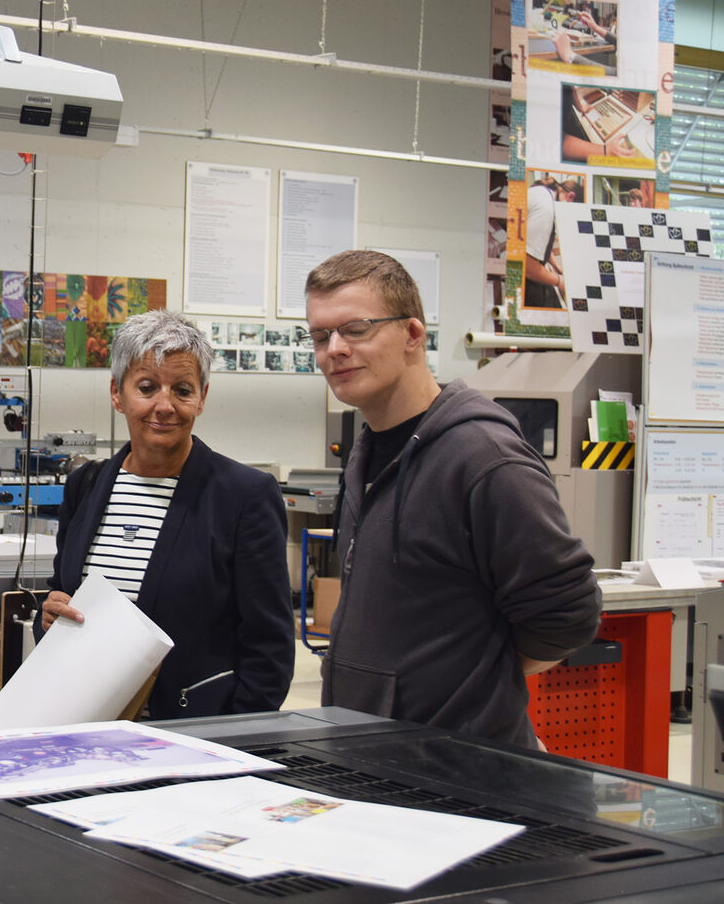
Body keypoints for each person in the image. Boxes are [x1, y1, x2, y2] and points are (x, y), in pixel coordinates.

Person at [305, 250, 600, 749]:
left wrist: (478, 678)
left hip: (461, 771)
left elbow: (567, 614)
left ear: (413, 336)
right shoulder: (366, 453)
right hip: (375, 760)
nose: (334, 349)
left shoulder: (483, 456)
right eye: (320, 335)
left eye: (355, 329)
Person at [40, 309, 293, 719]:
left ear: (202, 398)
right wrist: (48, 615)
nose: (165, 405)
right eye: (146, 386)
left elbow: (270, 645)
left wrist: (239, 736)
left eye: (182, 389)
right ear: (116, 393)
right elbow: (61, 594)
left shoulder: (244, 496)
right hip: (83, 723)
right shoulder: (85, 485)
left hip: (188, 732)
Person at [523, 175, 567, 309]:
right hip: (526, 282)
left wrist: (558, 269)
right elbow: (529, 267)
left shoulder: (542, 195)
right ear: (570, 197)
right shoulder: (545, 209)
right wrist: (560, 281)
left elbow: (539, 246)